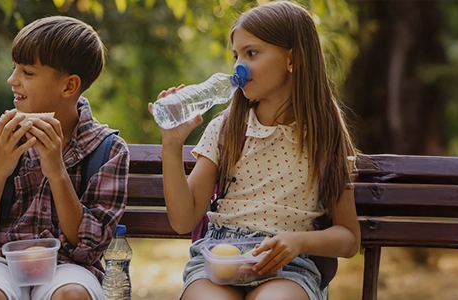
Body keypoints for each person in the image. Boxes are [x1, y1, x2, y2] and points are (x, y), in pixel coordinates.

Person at [150, 2, 361, 300]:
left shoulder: (324, 136)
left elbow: (349, 239)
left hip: (289, 266)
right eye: (236, 55)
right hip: (219, 258)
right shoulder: (228, 128)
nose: (239, 66)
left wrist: (298, 242)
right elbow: (183, 220)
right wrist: (171, 146)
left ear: (294, 59)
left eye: (251, 53)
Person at [0, 16, 129, 300]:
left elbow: (88, 248)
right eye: (14, 68)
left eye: (27, 73)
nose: (12, 80)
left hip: (70, 265)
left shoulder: (107, 150)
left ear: (69, 86)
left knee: (72, 295)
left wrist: (57, 172)